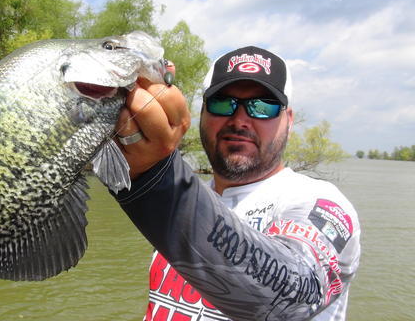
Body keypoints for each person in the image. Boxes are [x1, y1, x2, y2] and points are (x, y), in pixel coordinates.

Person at [113, 46, 361, 321]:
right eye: (223, 103)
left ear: (288, 120)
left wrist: (154, 176)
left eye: (263, 107)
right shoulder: (193, 198)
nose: (240, 120)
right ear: (203, 114)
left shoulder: (318, 201)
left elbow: (293, 297)